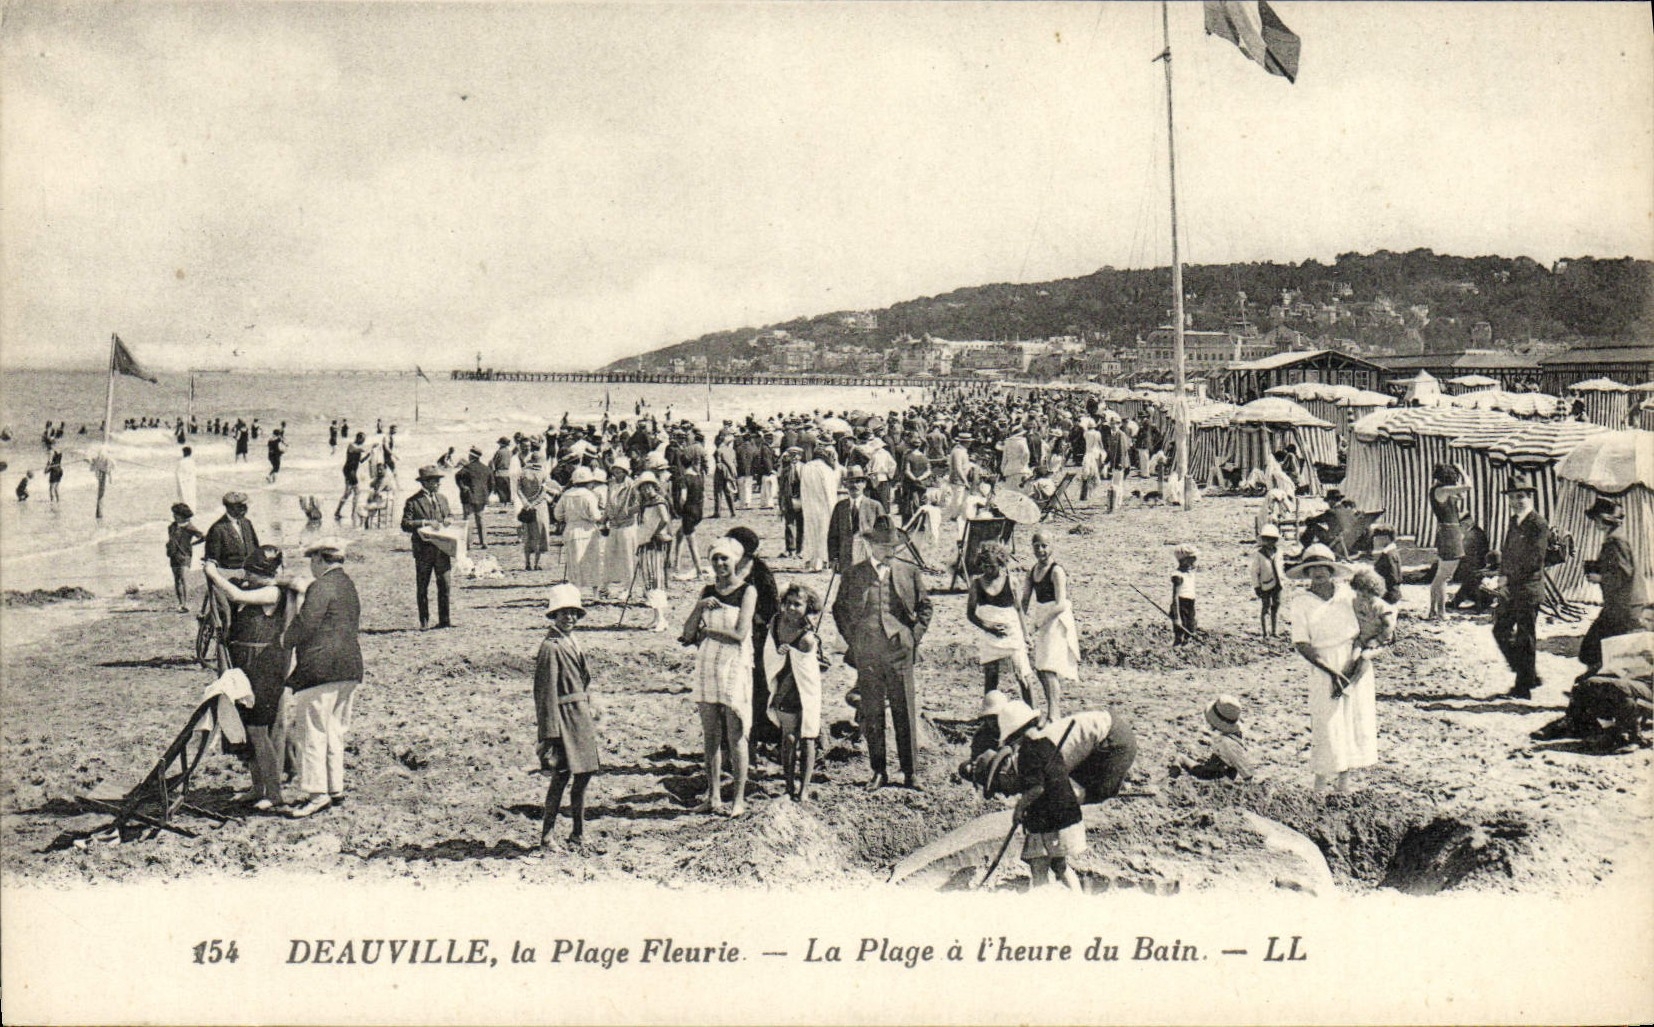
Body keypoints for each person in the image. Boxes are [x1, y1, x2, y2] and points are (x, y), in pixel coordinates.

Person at [832, 517, 932, 791]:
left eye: (893, 546)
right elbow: (838, 610)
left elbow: (926, 608)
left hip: (900, 652)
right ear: (870, 545)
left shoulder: (908, 572)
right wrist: (854, 641)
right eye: (884, 546)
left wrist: (913, 637)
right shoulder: (854, 574)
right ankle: (878, 771)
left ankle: (910, 772)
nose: (890, 551)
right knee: (873, 713)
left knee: (905, 713)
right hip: (868, 655)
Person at [281, 536, 363, 818]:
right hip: (349, 667)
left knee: (313, 731)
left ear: (319, 559)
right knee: (335, 731)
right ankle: (335, 787)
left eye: (312, 561)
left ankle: (317, 794)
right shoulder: (347, 585)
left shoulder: (321, 586)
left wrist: (284, 639)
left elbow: (305, 624)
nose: (312, 567)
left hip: (320, 668)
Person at [204, 546, 290, 810]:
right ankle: (257, 787)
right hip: (244, 665)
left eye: (254, 573)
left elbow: (236, 593)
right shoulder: (256, 587)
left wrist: (212, 573)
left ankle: (274, 793)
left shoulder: (273, 592)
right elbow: (236, 586)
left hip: (264, 668)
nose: (249, 577)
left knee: (258, 730)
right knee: (246, 730)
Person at [1287, 543, 1376, 794]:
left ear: (1330, 570)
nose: (1318, 573)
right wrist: (1332, 673)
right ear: (1306, 573)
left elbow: (1367, 627)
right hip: (1323, 663)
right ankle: (1320, 783)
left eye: (1322, 567)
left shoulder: (1348, 595)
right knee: (1326, 722)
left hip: (1353, 660)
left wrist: (1356, 662)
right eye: (1312, 568)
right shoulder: (1301, 602)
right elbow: (1301, 643)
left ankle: (1344, 783)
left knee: (1351, 720)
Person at [679, 537, 757, 816]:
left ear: (735, 560)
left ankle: (738, 799)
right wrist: (700, 607)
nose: (720, 564)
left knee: (736, 734)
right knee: (710, 735)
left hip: (733, 664)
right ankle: (713, 796)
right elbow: (687, 634)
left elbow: (739, 634)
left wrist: (708, 633)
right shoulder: (707, 591)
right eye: (715, 559)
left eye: (725, 559)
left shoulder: (747, 591)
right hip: (707, 664)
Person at [532, 583, 600, 851]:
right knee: (560, 777)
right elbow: (544, 693)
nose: (569, 617)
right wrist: (549, 734)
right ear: (553, 615)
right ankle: (547, 837)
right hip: (563, 720)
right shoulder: (551, 646)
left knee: (584, 775)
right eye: (563, 613)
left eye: (573, 612)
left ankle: (578, 833)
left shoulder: (572, 641)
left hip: (580, 717)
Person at [994, 696, 1083, 890]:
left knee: (1038, 865)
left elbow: (1037, 788)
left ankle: (1042, 905)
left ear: (1015, 735)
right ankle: (1079, 900)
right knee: (1060, 865)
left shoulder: (1027, 751)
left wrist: (1019, 807)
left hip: (1049, 817)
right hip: (1063, 812)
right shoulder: (1048, 743)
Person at [1493, 477, 1553, 699]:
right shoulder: (1513, 521)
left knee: (1525, 637)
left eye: (1520, 497)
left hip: (1528, 588)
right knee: (1500, 630)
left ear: (1530, 497)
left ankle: (1523, 687)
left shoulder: (1538, 524)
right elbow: (1507, 552)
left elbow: (1534, 560)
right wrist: (1501, 576)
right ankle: (1528, 675)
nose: (1516, 501)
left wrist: (1509, 580)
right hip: (1511, 588)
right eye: (1512, 497)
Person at [1575, 497, 1646, 681]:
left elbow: (1624, 574)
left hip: (1623, 609)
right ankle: (1593, 684)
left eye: (1597, 519)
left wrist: (1600, 577)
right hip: (1620, 606)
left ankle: (1593, 685)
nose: (1595, 523)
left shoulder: (1615, 541)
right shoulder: (1615, 538)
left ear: (1604, 520)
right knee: (1596, 650)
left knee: (1592, 650)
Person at [766, 583, 825, 802]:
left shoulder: (807, 634)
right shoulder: (776, 622)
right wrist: (779, 654)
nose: (791, 608)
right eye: (788, 603)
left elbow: (803, 664)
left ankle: (805, 787)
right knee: (788, 737)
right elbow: (770, 652)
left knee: (808, 736)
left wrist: (797, 650)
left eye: (797, 604)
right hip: (783, 683)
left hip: (803, 687)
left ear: (807, 607)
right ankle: (789, 784)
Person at [727, 526, 781, 753]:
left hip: (757, 640)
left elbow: (772, 610)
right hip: (732, 636)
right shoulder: (728, 568)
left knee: (757, 690)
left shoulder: (760, 573)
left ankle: (757, 738)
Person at [967, 541, 1034, 702]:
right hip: (989, 637)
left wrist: (1026, 636)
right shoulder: (976, 584)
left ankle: (1033, 714)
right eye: (984, 565)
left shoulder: (1011, 582)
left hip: (1011, 634)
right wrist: (987, 626)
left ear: (1000, 563)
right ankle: (990, 715)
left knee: (1023, 674)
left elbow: (1018, 610)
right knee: (990, 677)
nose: (987, 570)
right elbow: (970, 614)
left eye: (992, 566)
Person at [1023, 530, 1078, 720]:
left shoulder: (1056, 571)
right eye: (1036, 546)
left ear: (1052, 547)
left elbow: (1061, 603)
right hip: (1041, 619)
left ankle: (1054, 713)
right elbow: (1024, 601)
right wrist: (1021, 624)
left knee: (1049, 667)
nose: (1040, 550)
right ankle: (1051, 709)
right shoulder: (1033, 571)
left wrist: (1039, 622)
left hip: (1056, 619)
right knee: (1040, 668)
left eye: (1044, 546)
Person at [401, 465, 455, 630]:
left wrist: (449, 520)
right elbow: (405, 524)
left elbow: (450, 515)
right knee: (423, 586)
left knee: (445, 585)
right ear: (425, 482)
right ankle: (424, 621)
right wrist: (424, 523)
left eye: (439, 480)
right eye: (435, 481)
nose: (438, 483)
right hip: (423, 551)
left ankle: (444, 621)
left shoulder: (442, 499)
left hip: (442, 549)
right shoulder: (413, 501)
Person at [1170, 695, 1256, 782]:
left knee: (1181, 758)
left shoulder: (1226, 742)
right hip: (1220, 770)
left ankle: (1173, 774)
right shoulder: (1234, 736)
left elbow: (1247, 772)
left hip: (1213, 776)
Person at [1428, 463, 1472, 620]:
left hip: (1446, 532)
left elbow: (1462, 495)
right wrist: (1461, 469)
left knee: (1441, 575)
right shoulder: (1443, 490)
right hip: (1450, 534)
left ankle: (1434, 611)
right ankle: (1440, 612)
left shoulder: (1439, 490)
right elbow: (1468, 487)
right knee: (1443, 576)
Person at [634, 472, 675, 631]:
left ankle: (662, 619)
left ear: (654, 487)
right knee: (649, 580)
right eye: (643, 487)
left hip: (654, 544)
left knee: (655, 578)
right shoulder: (646, 503)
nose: (646, 490)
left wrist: (655, 533)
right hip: (646, 542)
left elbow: (665, 520)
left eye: (648, 486)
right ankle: (656, 617)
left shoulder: (659, 502)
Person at [555, 465, 605, 597]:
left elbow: (557, 514)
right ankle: (595, 594)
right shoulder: (589, 495)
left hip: (571, 530)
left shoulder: (566, 495)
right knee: (593, 562)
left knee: (573, 563)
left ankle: (575, 594)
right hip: (588, 531)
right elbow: (595, 516)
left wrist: (568, 517)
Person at [826, 467, 883, 573]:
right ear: (846, 484)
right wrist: (833, 559)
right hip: (846, 559)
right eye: (851, 482)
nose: (854, 485)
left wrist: (881, 558)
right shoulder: (840, 507)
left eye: (858, 481)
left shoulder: (875, 506)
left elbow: (884, 535)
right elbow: (833, 535)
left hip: (868, 558)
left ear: (864, 484)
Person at [601, 459, 639, 599]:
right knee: (609, 556)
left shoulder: (632, 485)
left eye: (620, 469)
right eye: (615, 469)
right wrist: (604, 519)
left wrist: (626, 512)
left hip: (627, 526)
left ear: (625, 471)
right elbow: (607, 504)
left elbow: (639, 504)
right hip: (614, 525)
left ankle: (628, 588)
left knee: (627, 557)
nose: (617, 472)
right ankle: (605, 587)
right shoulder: (611, 484)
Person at [798, 447, 839, 572]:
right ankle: (823, 561)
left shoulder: (805, 467)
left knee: (810, 532)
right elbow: (829, 491)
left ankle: (811, 560)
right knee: (824, 533)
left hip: (809, 505)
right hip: (823, 506)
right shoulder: (825, 469)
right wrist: (834, 510)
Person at [166, 503, 206, 612]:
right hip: (174, 555)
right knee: (177, 580)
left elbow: (203, 537)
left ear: (182, 515)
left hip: (185, 555)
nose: (173, 516)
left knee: (183, 579)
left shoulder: (190, 527)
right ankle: (181, 603)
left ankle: (186, 604)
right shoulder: (172, 527)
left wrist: (193, 545)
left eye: (176, 514)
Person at [1251, 523, 1286, 637]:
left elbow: (1282, 566)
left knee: (1276, 605)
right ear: (1263, 541)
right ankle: (1265, 632)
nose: (1270, 543)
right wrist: (1257, 586)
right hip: (1265, 584)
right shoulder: (1259, 554)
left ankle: (1274, 631)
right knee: (1266, 606)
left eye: (1272, 540)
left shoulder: (1279, 552)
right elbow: (1254, 572)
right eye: (1267, 540)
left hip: (1278, 583)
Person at [516, 456, 551, 572]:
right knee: (539, 535)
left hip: (526, 507)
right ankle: (537, 563)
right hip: (539, 507)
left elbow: (518, 489)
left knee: (527, 534)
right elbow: (543, 493)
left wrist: (526, 502)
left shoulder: (523, 473)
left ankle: (527, 563)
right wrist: (534, 503)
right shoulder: (543, 474)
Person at [455, 447, 493, 549]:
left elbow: (457, 476)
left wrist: (463, 488)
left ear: (471, 456)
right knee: (481, 519)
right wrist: (486, 494)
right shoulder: (486, 468)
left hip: (468, 498)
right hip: (482, 497)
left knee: (468, 520)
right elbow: (492, 484)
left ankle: (468, 544)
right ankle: (484, 542)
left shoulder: (467, 468)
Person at [777, 447, 805, 559]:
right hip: (789, 499)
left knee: (801, 525)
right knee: (789, 524)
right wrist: (781, 503)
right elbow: (782, 488)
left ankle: (800, 550)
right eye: (791, 455)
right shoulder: (785, 470)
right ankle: (790, 549)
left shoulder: (805, 469)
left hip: (802, 499)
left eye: (796, 455)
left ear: (800, 456)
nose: (794, 457)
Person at [1170, 543, 1200, 646]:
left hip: (1190, 604)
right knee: (1181, 633)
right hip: (1181, 605)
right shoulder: (1178, 575)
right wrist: (1177, 617)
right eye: (1192, 558)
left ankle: (1187, 652)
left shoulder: (1190, 572)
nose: (1195, 560)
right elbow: (1175, 597)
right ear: (1184, 560)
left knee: (1191, 630)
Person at [335, 432, 367, 523]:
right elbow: (359, 450)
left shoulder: (357, 448)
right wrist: (370, 448)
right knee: (357, 492)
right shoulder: (351, 445)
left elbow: (361, 461)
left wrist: (369, 455)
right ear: (358, 438)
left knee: (348, 493)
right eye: (363, 439)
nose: (363, 441)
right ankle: (353, 513)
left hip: (352, 471)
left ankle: (338, 511)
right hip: (349, 471)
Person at [1369, 525, 1403, 606]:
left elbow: (1393, 577)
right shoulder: (1393, 551)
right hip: (1394, 593)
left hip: (1388, 596)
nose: (1375, 541)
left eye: (1377, 538)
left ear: (1386, 538)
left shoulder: (1388, 555)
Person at [490, 437, 515, 505]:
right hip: (507, 472)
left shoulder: (499, 452)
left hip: (499, 472)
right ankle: (507, 503)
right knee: (507, 489)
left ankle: (503, 503)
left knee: (500, 489)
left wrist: (492, 472)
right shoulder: (509, 452)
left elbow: (493, 462)